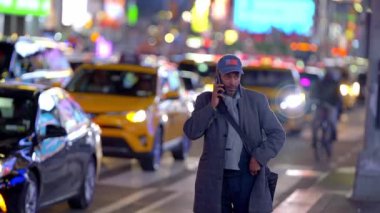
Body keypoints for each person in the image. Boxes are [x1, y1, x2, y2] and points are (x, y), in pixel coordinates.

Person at [183, 54, 286, 213]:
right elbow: (191, 131)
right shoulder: (204, 100)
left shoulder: (256, 101)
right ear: (218, 77)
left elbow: (277, 133)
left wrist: (259, 157)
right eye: (227, 76)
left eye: (236, 76)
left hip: (246, 177)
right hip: (215, 178)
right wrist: (212, 106)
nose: (232, 81)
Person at [310, 69, 343, 143]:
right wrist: (314, 99)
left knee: (331, 121)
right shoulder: (320, 83)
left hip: (331, 105)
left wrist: (337, 104)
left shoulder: (335, 84)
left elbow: (338, 96)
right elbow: (314, 92)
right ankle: (314, 139)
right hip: (320, 105)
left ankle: (333, 135)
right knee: (315, 122)